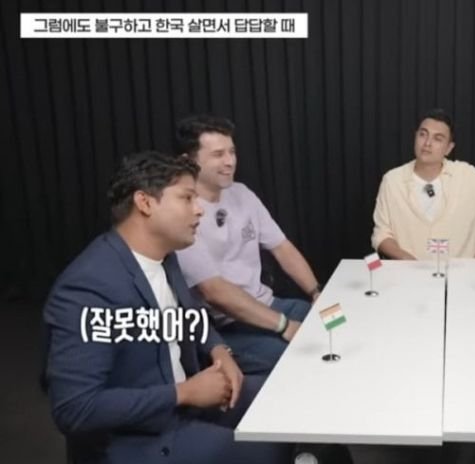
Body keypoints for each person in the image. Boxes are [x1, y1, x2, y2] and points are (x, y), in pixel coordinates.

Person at [43, 152, 289, 463]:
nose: (199, 209)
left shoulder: (165, 257)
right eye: (187, 198)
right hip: (135, 439)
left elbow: (189, 316)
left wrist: (219, 350)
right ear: (145, 203)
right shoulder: (88, 287)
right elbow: (74, 409)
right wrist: (184, 392)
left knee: (283, 401)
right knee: (269, 450)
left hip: (184, 406)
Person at [174, 114, 321, 375]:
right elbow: (214, 291)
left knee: (335, 322)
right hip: (226, 327)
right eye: (218, 154)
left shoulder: (242, 193)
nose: (229, 161)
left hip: (269, 305)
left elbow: (282, 247)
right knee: (307, 356)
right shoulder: (181, 213)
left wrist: (315, 292)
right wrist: (284, 326)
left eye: (232, 152)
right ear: (188, 161)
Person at [371, 108, 475, 260]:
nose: (427, 143)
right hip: (408, 273)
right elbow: (381, 234)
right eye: (423, 134)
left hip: (463, 274)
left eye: (437, 139)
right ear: (415, 136)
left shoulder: (467, 176)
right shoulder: (392, 180)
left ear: (449, 148)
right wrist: (407, 259)